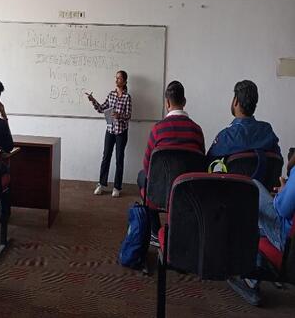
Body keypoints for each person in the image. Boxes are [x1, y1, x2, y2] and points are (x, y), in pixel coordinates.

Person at [137, 80, 205, 244]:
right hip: (188, 193)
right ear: (184, 101)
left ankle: (155, 232)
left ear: (167, 103)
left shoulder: (158, 129)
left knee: (141, 176)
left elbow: (147, 165)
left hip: (160, 193)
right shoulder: (197, 130)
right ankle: (184, 229)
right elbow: (202, 165)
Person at [227, 153, 295, 306]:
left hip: (287, 240)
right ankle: (253, 272)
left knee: (253, 186)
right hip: (290, 237)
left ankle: (249, 278)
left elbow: (282, 209)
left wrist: (282, 192)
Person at [208, 80, 281, 159]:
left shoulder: (225, 136)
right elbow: (278, 161)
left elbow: (208, 163)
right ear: (255, 105)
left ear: (236, 101)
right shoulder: (267, 131)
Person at [87, 70, 132, 198]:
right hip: (110, 130)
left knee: (119, 159)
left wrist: (119, 115)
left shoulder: (127, 97)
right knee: (106, 157)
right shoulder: (111, 95)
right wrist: (93, 100)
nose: (116, 80)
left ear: (124, 81)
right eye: (116, 78)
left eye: (119, 78)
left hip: (121, 132)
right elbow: (102, 108)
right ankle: (101, 184)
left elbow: (129, 115)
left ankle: (117, 187)